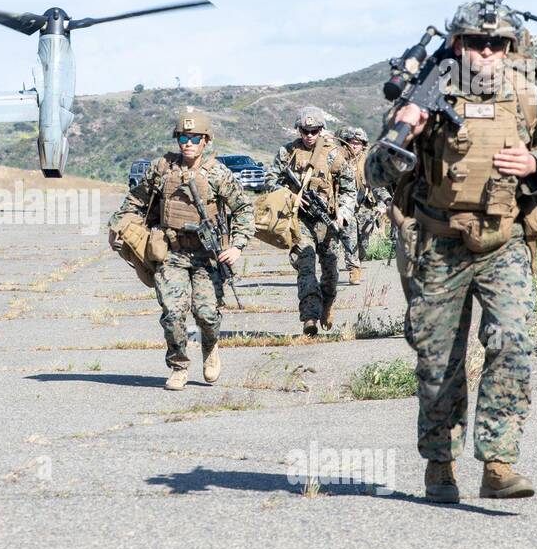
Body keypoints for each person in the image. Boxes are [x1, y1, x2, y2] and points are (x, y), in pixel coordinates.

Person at [365, 1, 537, 503]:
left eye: (497, 44)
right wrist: (403, 137)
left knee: (512, 342)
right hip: (439, 243)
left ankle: (498, 463)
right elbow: (373, 175)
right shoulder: (423, 100)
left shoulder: (528, 97)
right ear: (457, 45)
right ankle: (440, 465)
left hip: (504, 242)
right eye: (476, 43)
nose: (486, 52)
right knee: (438, 360)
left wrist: (534, 162)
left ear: (509, 49)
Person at [109, 111, 255, 390]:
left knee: (207, 314)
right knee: (173, 313)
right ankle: (178, 366)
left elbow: (244, 210)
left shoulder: (218, 174)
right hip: (171, 253)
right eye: (183, 138)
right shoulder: (162, 169)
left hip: (207, 256)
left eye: (194, 138)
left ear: (205, 141)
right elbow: (135, 201)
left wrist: (237, 246)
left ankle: (210, 349)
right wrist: (120, 227)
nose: (187, 143)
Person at [267, 107, 356, 336]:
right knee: (305, 265)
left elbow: (349, 190)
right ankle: (309, 317)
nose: (309, 136)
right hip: (299, 220)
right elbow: (270, 180)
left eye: (314, 131)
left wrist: (342, 215)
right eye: (305, 131)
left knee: (330, 272)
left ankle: (327, 304)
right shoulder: (287, 153)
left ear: (321, 130)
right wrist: (292, 196)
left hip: (327, 222)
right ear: (299, 130)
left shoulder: (334, 155)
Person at [335, 126, 391, 285]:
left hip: (364, 206)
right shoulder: (340, 159)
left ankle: (357, 260)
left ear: (363, 145)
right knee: (349, 236)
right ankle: (353, 268)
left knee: (363, 244)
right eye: (352, 142)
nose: (354, 146)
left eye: (358, 143)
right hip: (345, 206)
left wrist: (386, 200)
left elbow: (378, 185)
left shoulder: (368, 162)